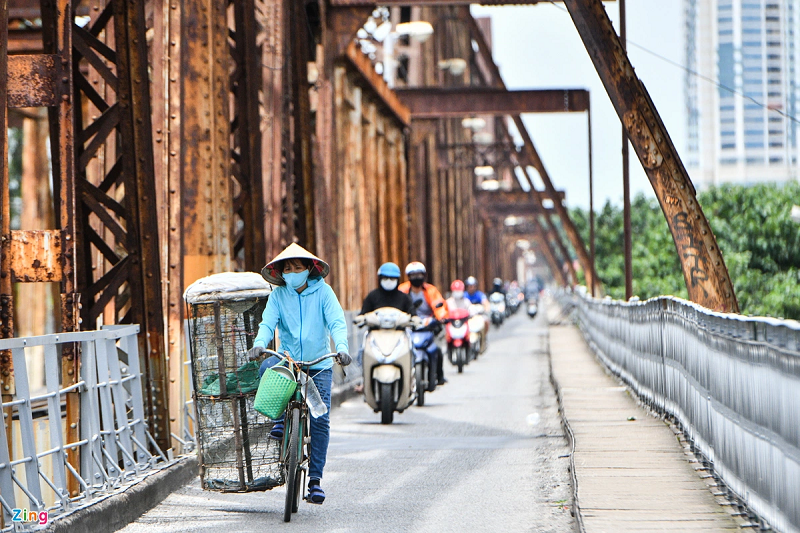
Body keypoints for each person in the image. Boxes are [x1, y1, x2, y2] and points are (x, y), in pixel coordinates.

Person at [247, 243, 351, 505]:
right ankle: (280, 420)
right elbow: (267, 323)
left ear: (309, 269)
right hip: (289, 361)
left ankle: (315, 480)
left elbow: (337, 322)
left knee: (320, 419)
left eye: (297, 268)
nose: (292, 273)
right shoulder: (278, 296)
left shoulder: (324, 293)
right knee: (265, 368)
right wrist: (260, 343)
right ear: (281, 273)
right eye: (288, 269)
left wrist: (342, 348)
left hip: (319, 364)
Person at [399, 262, 449, 385]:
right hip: (408, 324)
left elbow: (440, 305)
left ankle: (439, 375)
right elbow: (396, 305)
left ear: (424, 275)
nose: (416, 277)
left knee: (436, 349)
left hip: (428, 324)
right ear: (408, 276)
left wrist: (441, 317)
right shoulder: (402, 290)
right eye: (413, 275)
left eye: (419, 274)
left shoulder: (431, 290)